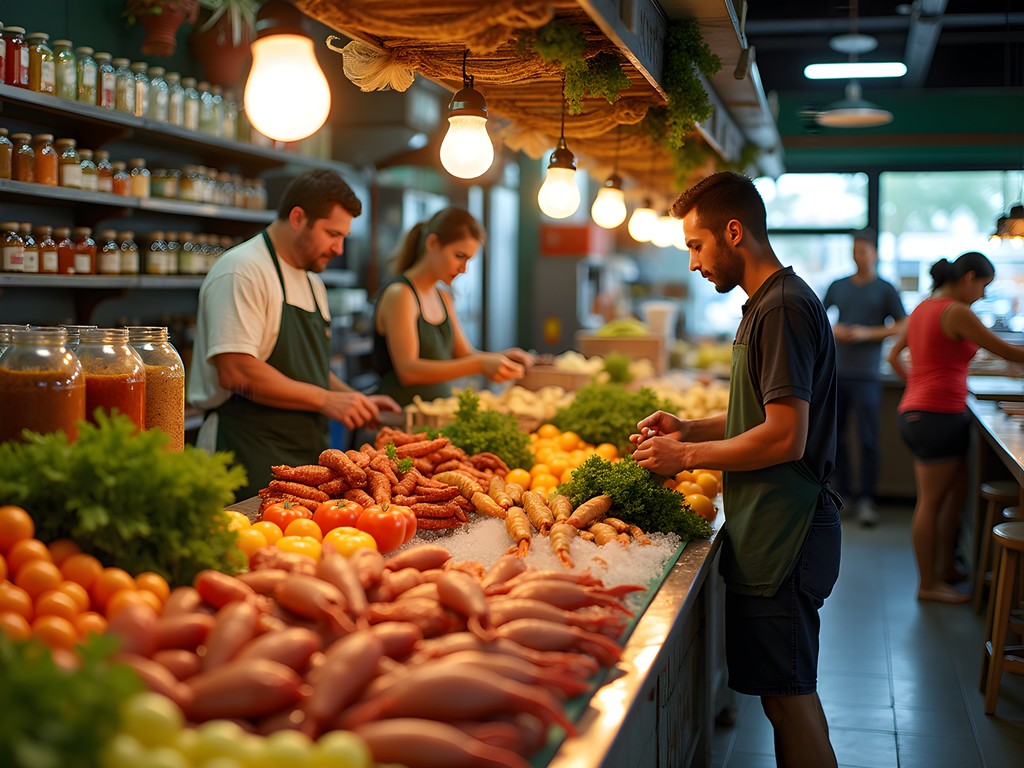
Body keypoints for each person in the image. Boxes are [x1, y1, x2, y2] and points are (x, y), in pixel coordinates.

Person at [631, 172, 840, 768]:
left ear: (733, 231)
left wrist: (686, 457)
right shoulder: (766, 304)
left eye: (696, 246)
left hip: (789, 529)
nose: (694, 263)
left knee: (790, 698)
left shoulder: (782, 308)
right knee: (787, 695)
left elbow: (785, 436)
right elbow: (761, 415)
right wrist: (690, 428)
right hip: (773, 524)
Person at [190, 169, 401, 501]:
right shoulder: (243, 270)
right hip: (246, 453)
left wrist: (353, 400)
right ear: (298, 217)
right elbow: (236, 370)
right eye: (333, 233)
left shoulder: (312, 282)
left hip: (303, 456)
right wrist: (327, 400)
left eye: (343, 236)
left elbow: (311, 369)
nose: (338, 248)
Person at [887, 251, 1024, 604]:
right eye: (983, 286)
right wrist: (927, 390)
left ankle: (945, 568)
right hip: (936, 415)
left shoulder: (922, 308)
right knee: (932, 502)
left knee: (954, 494)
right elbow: (1008, 352)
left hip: (923, 411)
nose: (981, 295)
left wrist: (915, 387)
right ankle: (928, 583)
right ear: (968, 278)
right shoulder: (956, 311)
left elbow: (895, 355)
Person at [372, 206, 533, 406]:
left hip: (437, 415)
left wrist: (502, 357)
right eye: (459, 256)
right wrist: (480, 364)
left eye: (468, 260)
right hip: (400, 418)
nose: (464, 269)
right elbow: (408, 371)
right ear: (432, 243)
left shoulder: (443, 297)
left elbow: (465, 354)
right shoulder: (401, 295)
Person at [822, 229, 907, 526]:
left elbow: (902, 324)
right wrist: (834, 331)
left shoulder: (885, 289)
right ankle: (842, 494)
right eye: (856, 250)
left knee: (869, 439)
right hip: (837, 373)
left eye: (865, 250)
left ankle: (867, 500)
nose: (860, 255)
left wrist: (867, 333)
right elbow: (819, 319)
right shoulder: (838, 285)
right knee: (837, 438)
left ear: (875, 253)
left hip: (868, 374)